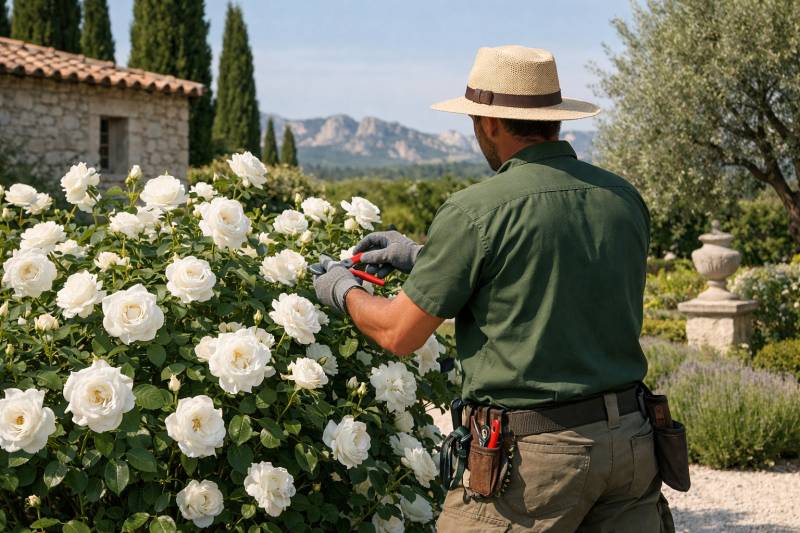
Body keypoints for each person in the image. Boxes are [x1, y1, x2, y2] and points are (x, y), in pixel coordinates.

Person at [313, 45, 673, 532]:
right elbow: (554, 267)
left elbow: (398, 333)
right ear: (554, 118)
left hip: (535, 461)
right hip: (631, 443)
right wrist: (424, 258)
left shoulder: (476, 210)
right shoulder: (622, 198)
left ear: (489, 123)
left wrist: (340, 288)